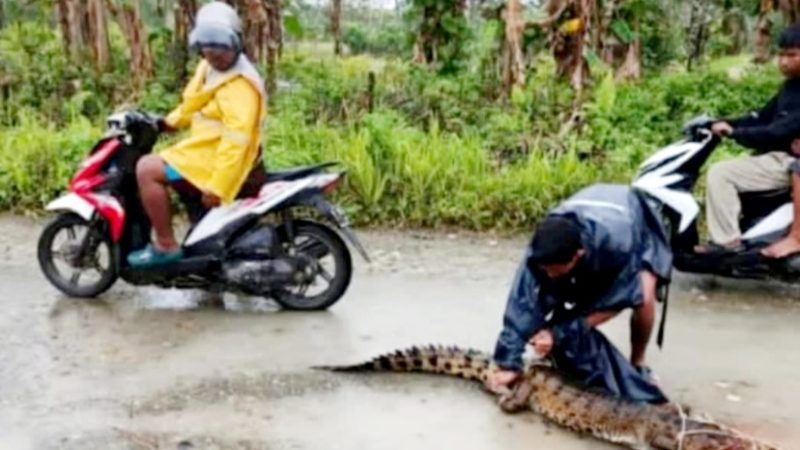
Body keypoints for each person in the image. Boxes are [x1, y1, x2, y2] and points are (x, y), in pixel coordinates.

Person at [485, 184, 671, 404]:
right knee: (550, 293)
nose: (547, 274)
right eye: (544, 268)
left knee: (644, 296)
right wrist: (508, 361)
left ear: (577, 256)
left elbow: (616, 302)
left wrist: (559, 333)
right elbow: (522, 301)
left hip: (636, 222)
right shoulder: (543, 246)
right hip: (590, 210)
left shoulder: (618, 247)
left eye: (553, 269)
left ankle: (639, 362)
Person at [127, 1, 266, 268]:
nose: (214, 56)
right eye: (208, 49)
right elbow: (194, 103)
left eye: (221, 49)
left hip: (218, 162)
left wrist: (218, 186)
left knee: (146, 169)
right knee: (162, 162)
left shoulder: (240, 86)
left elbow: (237, 142)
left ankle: (165, 246)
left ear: (236, 43)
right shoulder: (210, 67)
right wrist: (167, 123)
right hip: (205, 151)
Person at [700, 23, 800, 258]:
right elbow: (761, 118)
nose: (784, 62)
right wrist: (724, 122)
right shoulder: (790, 88)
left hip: (788, 161)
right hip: (781, 157)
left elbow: (777, 131)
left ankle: (727, 244)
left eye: (791, 55)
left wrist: (734, 134)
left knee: (721, 173)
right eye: (781, 55)